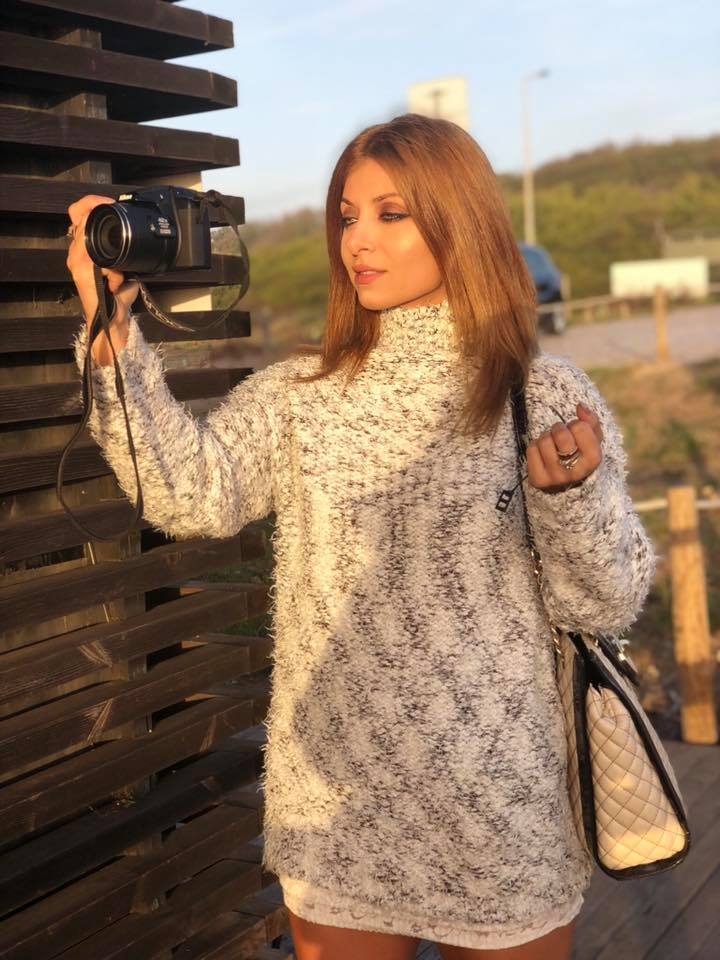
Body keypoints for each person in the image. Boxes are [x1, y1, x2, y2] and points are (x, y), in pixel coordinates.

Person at [66, 114, 655, 960]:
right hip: (336, 805)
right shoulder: (299, 393)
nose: (358, 240)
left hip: (497, 800)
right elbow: (189, 495)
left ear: (461, 222)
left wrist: (572, 498)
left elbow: (604, 601)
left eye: (391, 213)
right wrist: (111, 335)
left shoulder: (541, 392)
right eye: (347, 216)